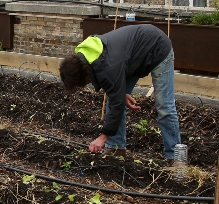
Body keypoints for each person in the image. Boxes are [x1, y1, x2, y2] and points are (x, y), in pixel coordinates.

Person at [58, 23, 181, 160]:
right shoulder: (86, 57)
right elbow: (109, 83)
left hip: (157, 46)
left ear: (83, 76)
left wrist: (102, 137)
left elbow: (115, 96)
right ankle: (116, 147)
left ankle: (175, 157)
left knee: (164, 106)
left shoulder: (109, 66)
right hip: (132, 56)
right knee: (115, 97)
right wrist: (119, 93)